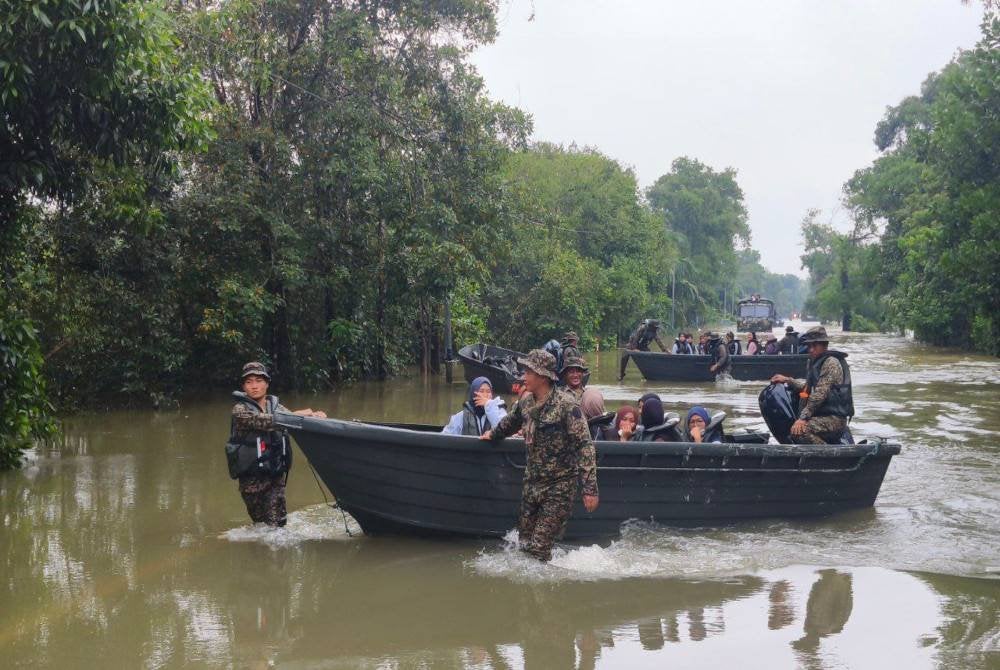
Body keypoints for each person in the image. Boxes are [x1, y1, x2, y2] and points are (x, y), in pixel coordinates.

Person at [480, 349, 599, 562]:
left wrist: (590, 489)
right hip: (532, 484)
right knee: (523, 544)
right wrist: (493, 434)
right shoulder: (526, 403)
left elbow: (585, 446)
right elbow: (509, 423)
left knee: (539, 549)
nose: (524, 376)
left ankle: (543, 592)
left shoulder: (566, 405)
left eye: (528, 371)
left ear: (542, 376)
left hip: (559, 487)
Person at [228, 361, 326, 527]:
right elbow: (267, 422)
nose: (254, 386)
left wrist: (314, 417)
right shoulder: (239, 410)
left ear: (267, 384)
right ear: (243, 386)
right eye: (249, 382)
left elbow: (294, 422)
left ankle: (277, 551)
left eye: (259, 381)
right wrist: (297, 415)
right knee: (261, 526)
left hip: (275, 475)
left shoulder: (275, 406)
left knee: (278, 524)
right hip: (252, 481)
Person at [770, 326, 854, 445]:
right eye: (809, 346)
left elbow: (820, 393)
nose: (810, 349)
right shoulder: (813, 362)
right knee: (796, 427)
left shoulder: (831, 363)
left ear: (824, 345)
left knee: (800, 431)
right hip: (822, 416)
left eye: (814, 346)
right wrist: (788, 380)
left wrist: (803, 418)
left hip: (835, 418)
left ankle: (830, 456)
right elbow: (807, 388)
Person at [441, 376, 507, 436]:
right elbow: (444, 438)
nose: (485, 395)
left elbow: (505, 431)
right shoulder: (461, 417)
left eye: (488, 391)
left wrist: (489, 405)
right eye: (481, 391)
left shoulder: (499, 412)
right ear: (473, 394)